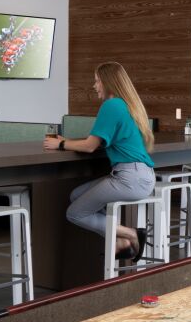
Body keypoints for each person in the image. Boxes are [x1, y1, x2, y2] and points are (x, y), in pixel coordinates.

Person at [44, 62, 155, 260]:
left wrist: (60, 145)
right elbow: (99, 142)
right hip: (140, 175)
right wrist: (68, 142)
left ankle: (132, 234)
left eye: (97, 81)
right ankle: (120, 241)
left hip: (129, 178)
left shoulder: (111, 105)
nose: (95, 86)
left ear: (108, 82)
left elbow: (90, 146)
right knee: (76, 195)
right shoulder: (126, 105)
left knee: (75, 213)